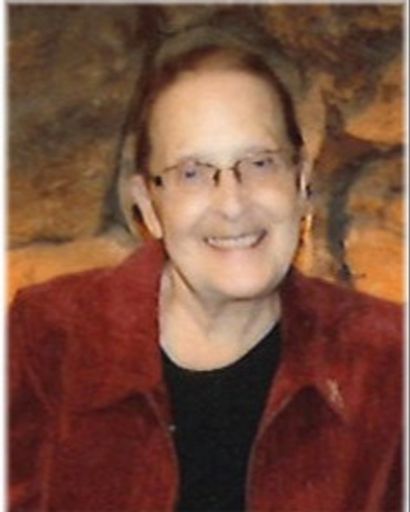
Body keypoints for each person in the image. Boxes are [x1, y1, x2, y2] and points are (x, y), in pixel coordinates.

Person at [9, 43, 402, 512]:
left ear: (300, 184)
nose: (232, 203)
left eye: (259, 163)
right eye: (192, 172)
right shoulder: (49, 341)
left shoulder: (387, 361)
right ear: (149, 206)